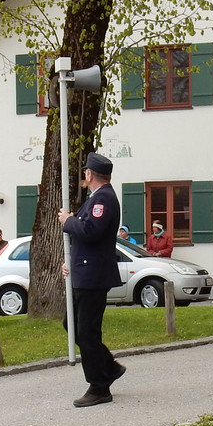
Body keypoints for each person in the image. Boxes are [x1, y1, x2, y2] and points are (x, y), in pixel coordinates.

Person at [57, 152, 125, 408]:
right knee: (72, 325)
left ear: (89, 174)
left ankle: (99, 386)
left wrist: (68, 220)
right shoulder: (95, 198)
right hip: (85, 273)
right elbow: (86, 240)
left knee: (85, 331)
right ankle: (109, 367)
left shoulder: (104, 199)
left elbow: (90, 231)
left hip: (93, 276)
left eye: (85, 172)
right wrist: (71, 264)